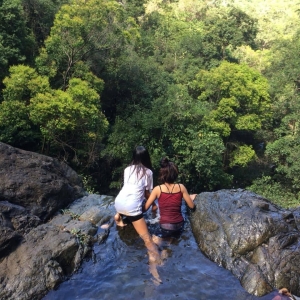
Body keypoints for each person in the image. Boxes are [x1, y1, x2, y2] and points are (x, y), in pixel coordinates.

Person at [114, 145, 160, 264]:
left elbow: (129, 189)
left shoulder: (127, 169)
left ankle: (119, 216)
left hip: (118, 202)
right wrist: (154, 205)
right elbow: (146, 193)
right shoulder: (148, 172)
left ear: (134, 156)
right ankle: (154, 263)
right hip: (131, 207)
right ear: (146, 158)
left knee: (129, 201)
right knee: (148, 239)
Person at [143, 157, 197, 238]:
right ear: (175, 174)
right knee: (169, 241)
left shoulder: (158, 189)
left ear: (162, 175)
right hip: (179, 226)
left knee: (153, 243)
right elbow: (192, 206)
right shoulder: (181, 187)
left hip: (165, 226)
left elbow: (145, 208)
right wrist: (190, 197)